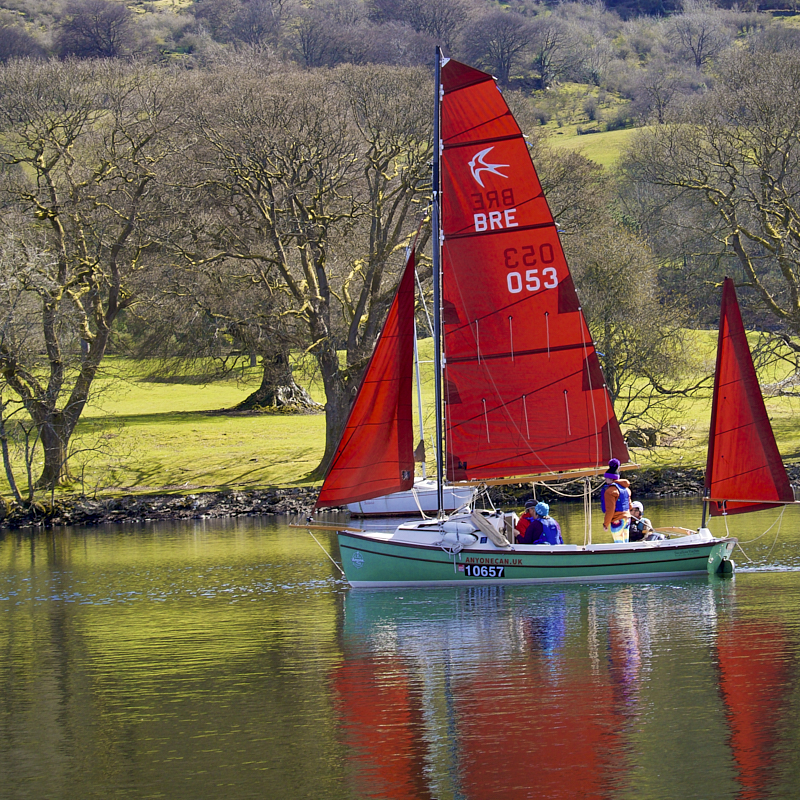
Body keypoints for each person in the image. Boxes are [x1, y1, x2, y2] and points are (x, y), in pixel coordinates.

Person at [600, 458, 632, 543]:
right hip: (627, 519)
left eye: (606, 478)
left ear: (610, 479)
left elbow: (610, 510)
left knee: (619, 544)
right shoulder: (626, 489)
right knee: (626, 542)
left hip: (617, 520)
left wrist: (606, 524)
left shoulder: (610, 491)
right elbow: (630, 506)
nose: (605, 480)